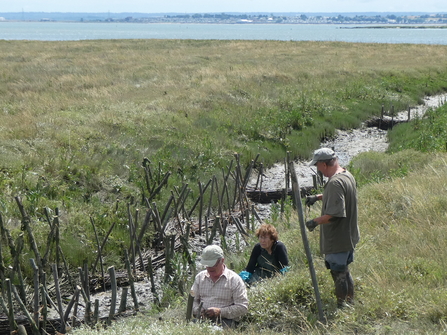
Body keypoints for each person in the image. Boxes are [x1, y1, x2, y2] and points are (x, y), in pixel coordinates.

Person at [305, 148, 360, 308]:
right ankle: (350, 303)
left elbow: (335, 214)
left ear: (323, 164)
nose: (318, 169)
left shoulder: (335, 182)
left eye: (317, 166)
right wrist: (318, 197)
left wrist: (314, 221)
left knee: (339, 274)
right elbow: (339, 196)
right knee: (344, 271)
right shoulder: (346, 175)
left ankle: (342, 307)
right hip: (349, 235)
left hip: (338, 238)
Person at [191, 245, 248, 328]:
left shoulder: (234, 280)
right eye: (207, 265)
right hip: (202, 319)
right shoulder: (200, 277)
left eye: (213, 264)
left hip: (226, 321)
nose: (210, 268)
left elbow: (242, 307)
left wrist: (220, 312)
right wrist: (198, 311)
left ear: (222, 260)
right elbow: (192, 300)